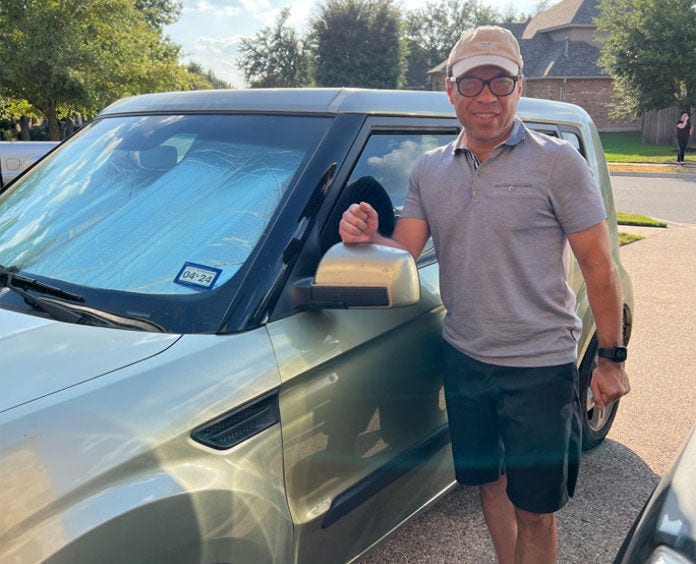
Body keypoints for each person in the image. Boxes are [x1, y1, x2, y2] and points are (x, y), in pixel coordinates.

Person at [339, 25, 630, 564]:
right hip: (466, 358)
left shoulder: (558, 163)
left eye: (501, 82)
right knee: (489, 487)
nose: (487, 98)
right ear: (451, 91)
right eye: (472, 83)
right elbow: (403, 252)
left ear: (520, 87)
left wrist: (610, 358)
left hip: (539, 366)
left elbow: (598, 265)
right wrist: (365, 235)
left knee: (535, 509)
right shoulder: (429, 170)